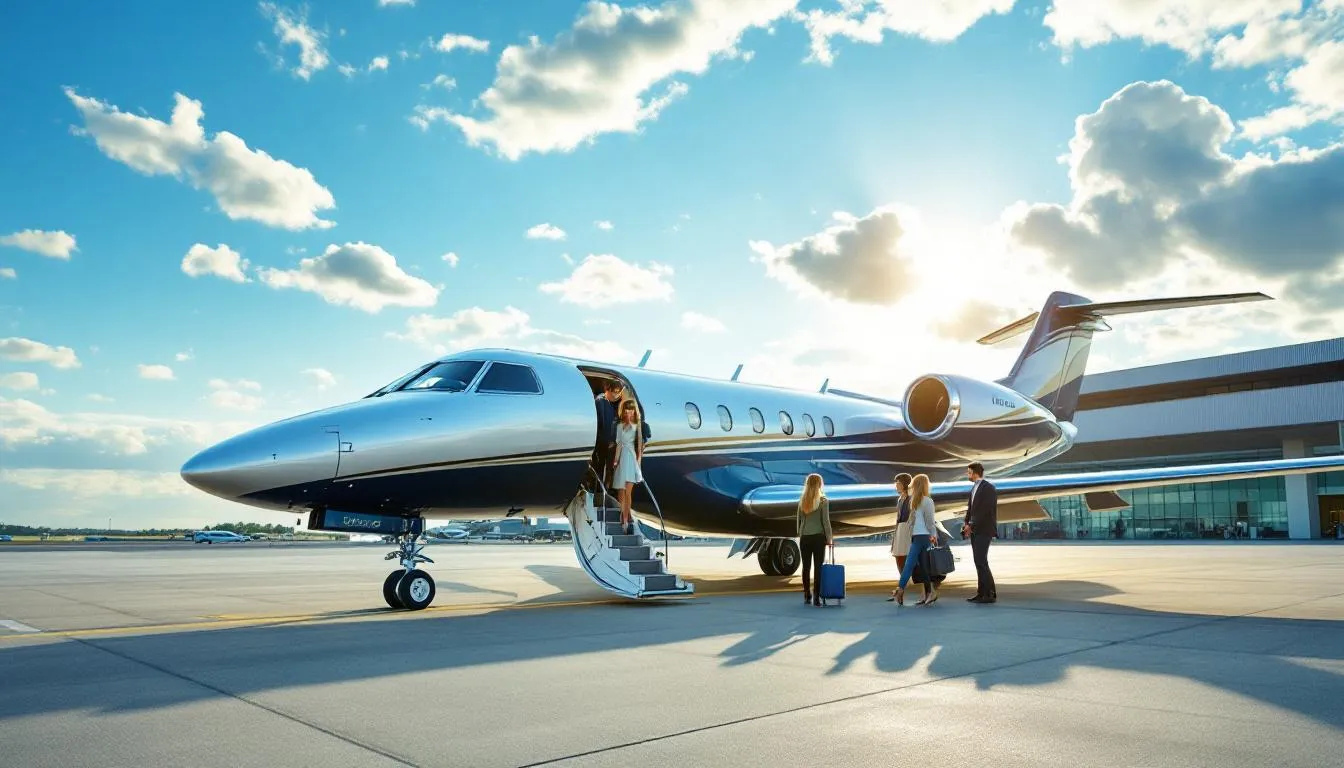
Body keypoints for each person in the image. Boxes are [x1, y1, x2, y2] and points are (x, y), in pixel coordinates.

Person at [893, 473, 939, 606]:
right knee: (923, 567)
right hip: (917, 536)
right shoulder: (915, 501)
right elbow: (915, 521)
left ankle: (900, 589)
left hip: (924, 537)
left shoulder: (926, 501)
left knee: (909, 564)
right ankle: (929, 593)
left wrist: (933, 536)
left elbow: (930, 522)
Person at [961, 461, 998, 603]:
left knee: (981, 561)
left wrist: (971, 524)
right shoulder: (974, 489)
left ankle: (990, 594)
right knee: (978, 561)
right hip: (975, 530)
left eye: (969, 472)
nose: (967, 475)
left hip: (984, 530)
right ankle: (981, 592)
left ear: (975, 473)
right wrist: (966, 523)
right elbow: (971, 509)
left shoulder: (988, 488)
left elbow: (984, 510)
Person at [795, 473, 832, 607]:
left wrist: (800, 534)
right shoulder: (823, 501)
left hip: (805, 537)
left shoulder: (802, 500)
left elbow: (799, 520)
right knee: (818, 567)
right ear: (819, 484)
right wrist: (830, 539)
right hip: (818, 537)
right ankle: (817, 596)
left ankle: (806, 594)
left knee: (806, 567)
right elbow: (826, 522)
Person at [611, 399, 645, 535]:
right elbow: (619, 444)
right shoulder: (619, 426)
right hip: (622, 458)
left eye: (631, 409)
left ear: (634, 411)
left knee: (628, 491)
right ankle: (623, 514)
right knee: (620, 490)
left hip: (631, 458)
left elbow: (639, 447)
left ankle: (625, 519)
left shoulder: (637, 427)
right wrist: (615, 461)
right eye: (626, 409)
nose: (628, 412)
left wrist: (638, 464)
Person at [589, 379, 623, 493]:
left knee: (608, 468)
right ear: (607, 390)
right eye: (614, 391)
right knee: (598, 466)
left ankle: (604, 489)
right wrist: (607, 441)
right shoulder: (600, 401)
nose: (616, 395)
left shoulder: (609, 404)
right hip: (602, 442)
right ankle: (596, 490)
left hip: (609, 443)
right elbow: (601, 424)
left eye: (618, 392)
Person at [888, 473, 913, 600]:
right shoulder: (901, 498)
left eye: (898, 483)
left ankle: (901, 587)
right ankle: (902, 585)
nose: (896, 485)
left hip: (906, 530)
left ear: (904, 484)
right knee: (899, 557)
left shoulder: (910, 498)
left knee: (906, 558)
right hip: (900, 529)